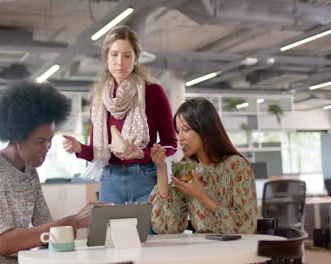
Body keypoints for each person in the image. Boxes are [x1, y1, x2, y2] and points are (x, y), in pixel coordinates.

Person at [0, 81, 105, 263]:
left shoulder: (30, 172)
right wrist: (75, 221)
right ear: (17, 137)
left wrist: (81, 225)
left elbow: (45, 226)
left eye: (50, 141)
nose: (46, 148)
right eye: (39, 141)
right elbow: (5, 243)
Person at [63, 25, 177, 204]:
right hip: (110, 180)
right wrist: (78, 148)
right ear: (106, 57)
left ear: (136, 58)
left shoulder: (153, 92)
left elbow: (171, 144)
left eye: (127, 55)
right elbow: (97, 152)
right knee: (112, 232)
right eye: (114, 54)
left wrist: (143, 154)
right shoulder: (99, 98)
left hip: (145, 177)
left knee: (148, 233)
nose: (120, 62)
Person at [149, 97, 258, 234]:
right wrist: (161, 168)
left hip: (233, 249)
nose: (180, 137)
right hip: (202, 248)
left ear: (205, 129)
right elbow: (166, 226)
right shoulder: (189, 168)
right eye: (178, 131)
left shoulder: (236, 166)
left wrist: (200, 195)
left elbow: (246, 227)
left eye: (186, 129)